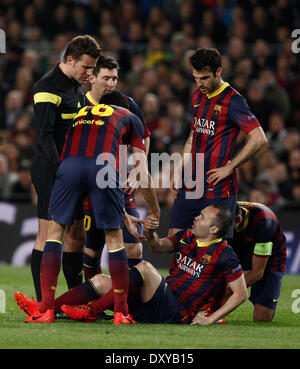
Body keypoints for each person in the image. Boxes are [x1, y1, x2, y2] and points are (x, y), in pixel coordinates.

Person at [16, 91, 160, 324]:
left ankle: (46, 310)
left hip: (69, 166)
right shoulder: (129, 115)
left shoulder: (82, 113)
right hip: (102, 169)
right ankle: (121, 313)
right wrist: (155, 210)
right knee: (114, 240)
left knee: (55, 235)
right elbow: (142, 172)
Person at [16, 204, 248, 325]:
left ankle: (91, 311)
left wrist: (210, 319)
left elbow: (241, 294)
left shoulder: (224, 254)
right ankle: (44, 310)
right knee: (100, 281)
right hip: (157, 300)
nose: (197, 217)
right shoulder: (188, 237)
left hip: (176, 311)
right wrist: (152, 233)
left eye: (203, 216)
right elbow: (158, 247)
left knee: (144, 268)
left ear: (215, 229)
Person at [30, 35, 101, 301]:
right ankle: (43, 303)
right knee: (48, 233)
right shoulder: (47, 87)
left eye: (92, 68)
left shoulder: (75, 86)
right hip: (52, 170)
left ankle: (75, 300)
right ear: (69, 60)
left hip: (71, 169)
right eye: (86, 67)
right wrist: (61, 170)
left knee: (75, 233)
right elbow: (44, 137)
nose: (89, 73)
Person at [169, 47, 268, 238]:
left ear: (219, 72)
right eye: (195, 77)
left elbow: (259, 138)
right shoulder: (198, 95)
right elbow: (193, 136)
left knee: (212, 244)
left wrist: (229, 167)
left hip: (218, 185)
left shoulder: (234, 101)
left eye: (204, 78)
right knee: (176, 238)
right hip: (191, 181)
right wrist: (179, 170)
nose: (199, 83)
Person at [81, 55, 151, 280]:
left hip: (120, 185)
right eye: (106, 78)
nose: (111, 83)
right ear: (92, 77)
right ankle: (92, 301)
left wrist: (136, 171)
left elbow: (144, 137)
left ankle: (129, 302)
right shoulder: (81, 104)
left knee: (134, 248)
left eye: (114, 78)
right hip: (89, 185)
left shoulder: (127, 103)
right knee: (91, 248)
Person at [230, 201, 286, 322]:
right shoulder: (218, 214)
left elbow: (257, 272)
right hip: (239, 246)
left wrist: (229, 290)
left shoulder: (265, 222)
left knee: (261, 318)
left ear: (238, 220)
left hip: (271, 259)